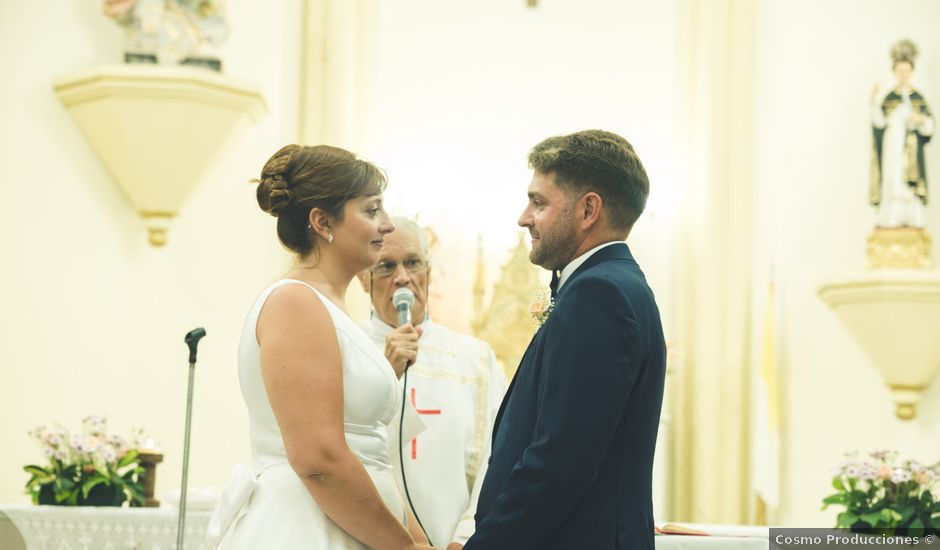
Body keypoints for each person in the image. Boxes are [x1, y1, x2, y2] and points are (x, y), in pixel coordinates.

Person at [206, 144, 436, 550]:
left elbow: (370, 454)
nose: (386, 225)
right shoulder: (295, 302)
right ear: (322, 221)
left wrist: (418, 540)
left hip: (352, 526)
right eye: (371, 210)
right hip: (308, 529)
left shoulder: (330, 307)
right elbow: (319, 460)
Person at [461, 130, 667, 550]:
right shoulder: (614, 286)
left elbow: (559, 461)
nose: (523, 217)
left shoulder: (599, 295)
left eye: (539, 202)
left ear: (589, 209)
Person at [357, 218, 508, 548]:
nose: (402, 278)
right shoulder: (347, 351)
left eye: (413, 263)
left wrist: (464, 540)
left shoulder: (476, 359)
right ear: (362, 278)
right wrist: (384, 373)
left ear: (428, 269)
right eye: (386, 266)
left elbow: (496, 458)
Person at [871, 39, 933, 228]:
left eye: (907, 71)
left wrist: (920, 120)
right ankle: (891, 217)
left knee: (909, 185)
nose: (903, 75)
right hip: (893, 147)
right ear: (895, 72)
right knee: (893, 179)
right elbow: (879, 122)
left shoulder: (917, 97)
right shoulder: (889, 98)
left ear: (911, 72)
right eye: (900, 71)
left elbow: (929, 125)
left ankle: (911, 217)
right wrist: (874, 101)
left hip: (911, 150)